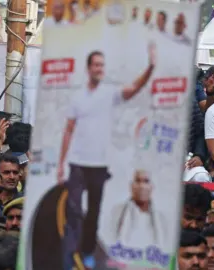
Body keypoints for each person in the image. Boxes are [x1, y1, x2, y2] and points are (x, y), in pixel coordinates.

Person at [57, 47, 155, 269]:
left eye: (102, 65)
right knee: (72, 212)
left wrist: (150, 67)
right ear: (89, 68)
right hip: (77, 163)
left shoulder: (109, 93)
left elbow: (134, 88)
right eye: (96, 65)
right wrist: (61, 164)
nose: (100, 68)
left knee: (93, 212)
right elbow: (68, 131)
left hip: (99, 165)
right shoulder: (78, 96)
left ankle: (88, 254)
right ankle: (68, 258)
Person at [107, 170, 168, 251]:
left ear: (152, 186)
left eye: (146, 181)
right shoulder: (117, 212)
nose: (142, 186)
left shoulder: (161, 219)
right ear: (131, 185)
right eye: (138, 181)